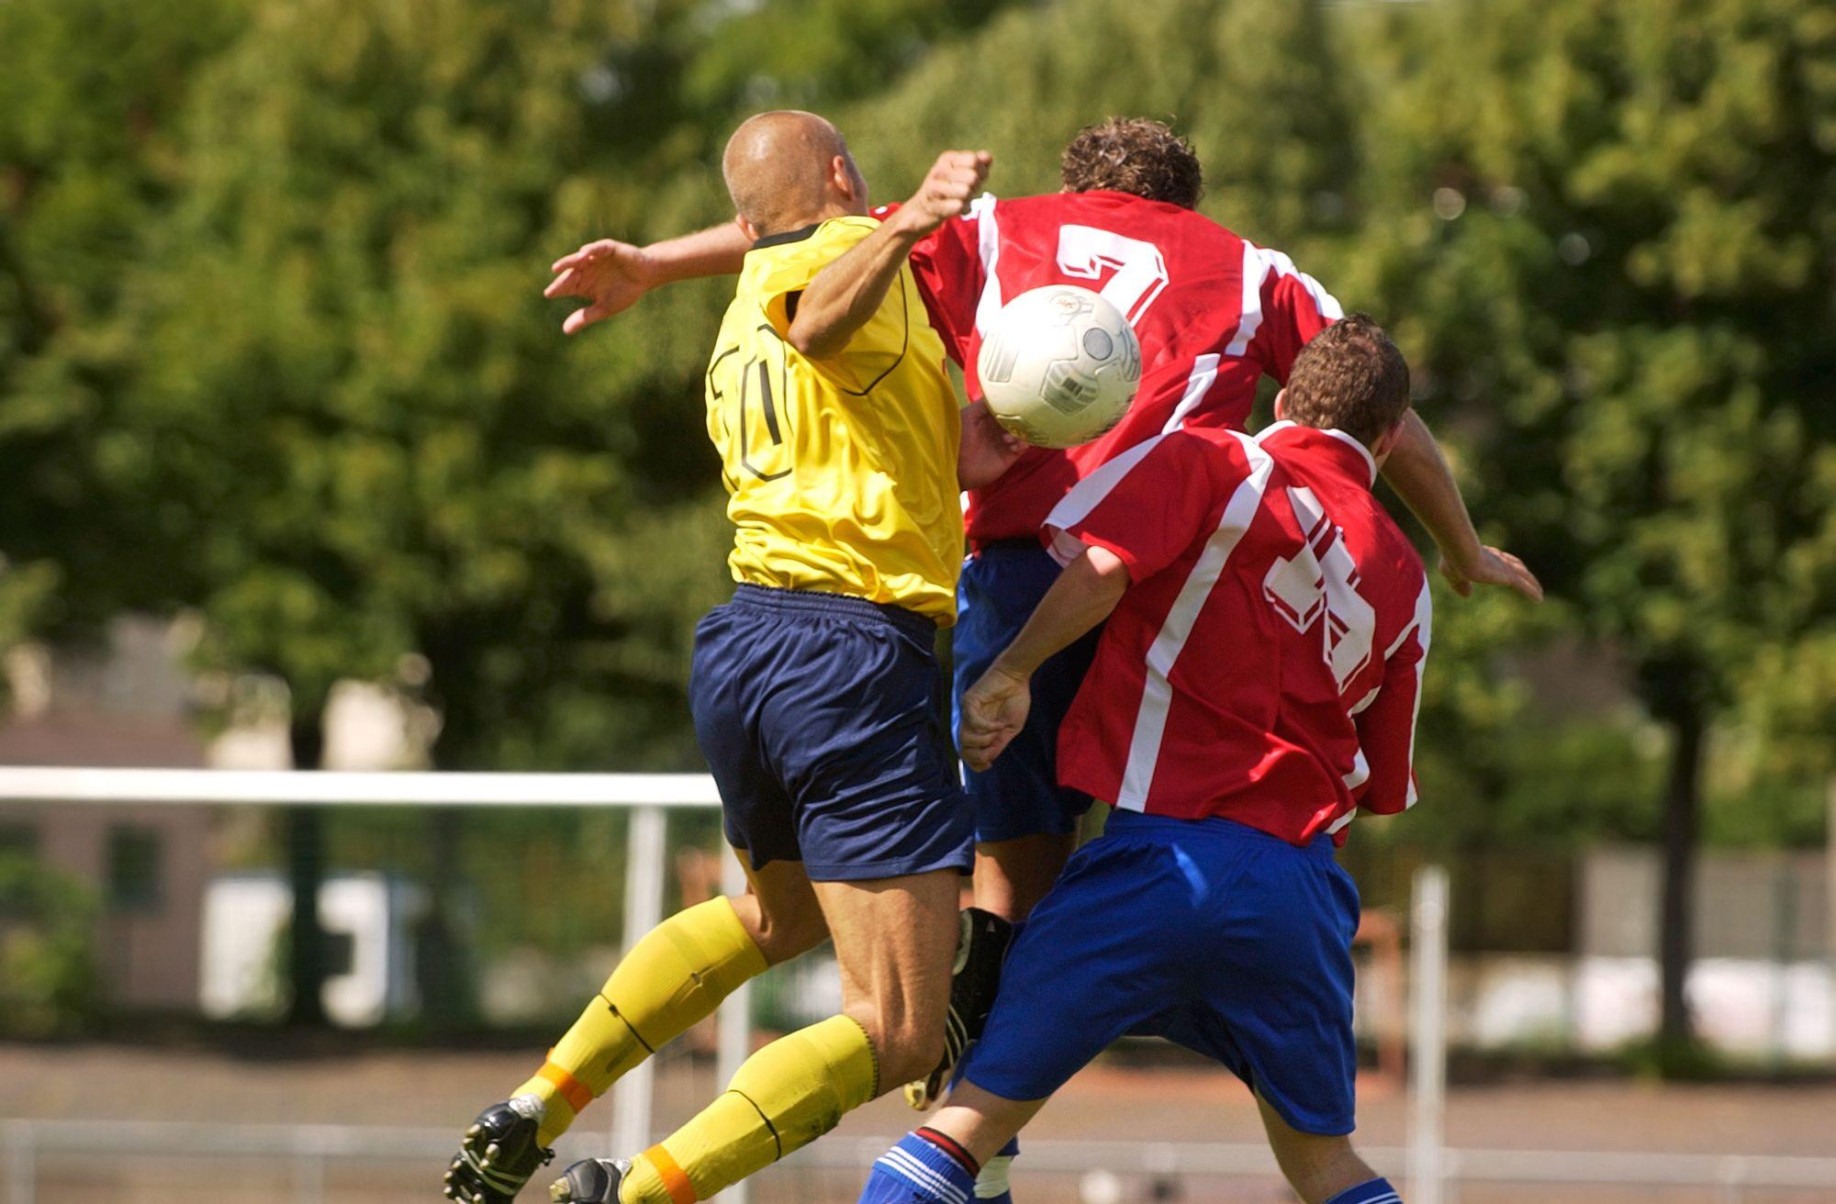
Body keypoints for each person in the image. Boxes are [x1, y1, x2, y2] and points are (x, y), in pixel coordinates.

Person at [443, 110, 994, 1204]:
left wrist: (650, 263)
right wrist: (912, 221)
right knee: (897, 1026)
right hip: (851, 652)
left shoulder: (749, 292)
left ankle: (534, 1106)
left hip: (746, 644)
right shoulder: (854, 255)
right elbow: (826, 321)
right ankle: (641, 1192)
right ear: (844, 175)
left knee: (774, 917)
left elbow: (768, 249)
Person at [855, 314, 1432, 1204]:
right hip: (1297, 888)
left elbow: (1099, 567)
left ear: (1285, 400)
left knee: (962, 1133)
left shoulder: (1211, 460)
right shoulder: (1405, 570)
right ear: (1388, 439)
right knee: (1325, 1167)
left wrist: (1010, 673)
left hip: (1157, 862)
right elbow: (1383, 784)